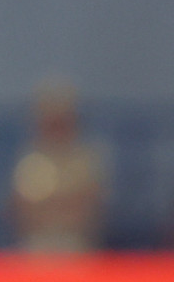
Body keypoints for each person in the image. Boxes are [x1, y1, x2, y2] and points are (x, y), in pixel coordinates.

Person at [11, 80, 106, 253]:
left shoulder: (85, 161)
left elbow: (90, 205)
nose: (56, 126)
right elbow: (22, 209)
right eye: (50, 120)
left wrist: (62, 211)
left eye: (61, 120)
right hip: (37, 244)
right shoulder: (30, 162)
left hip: (76, 244)